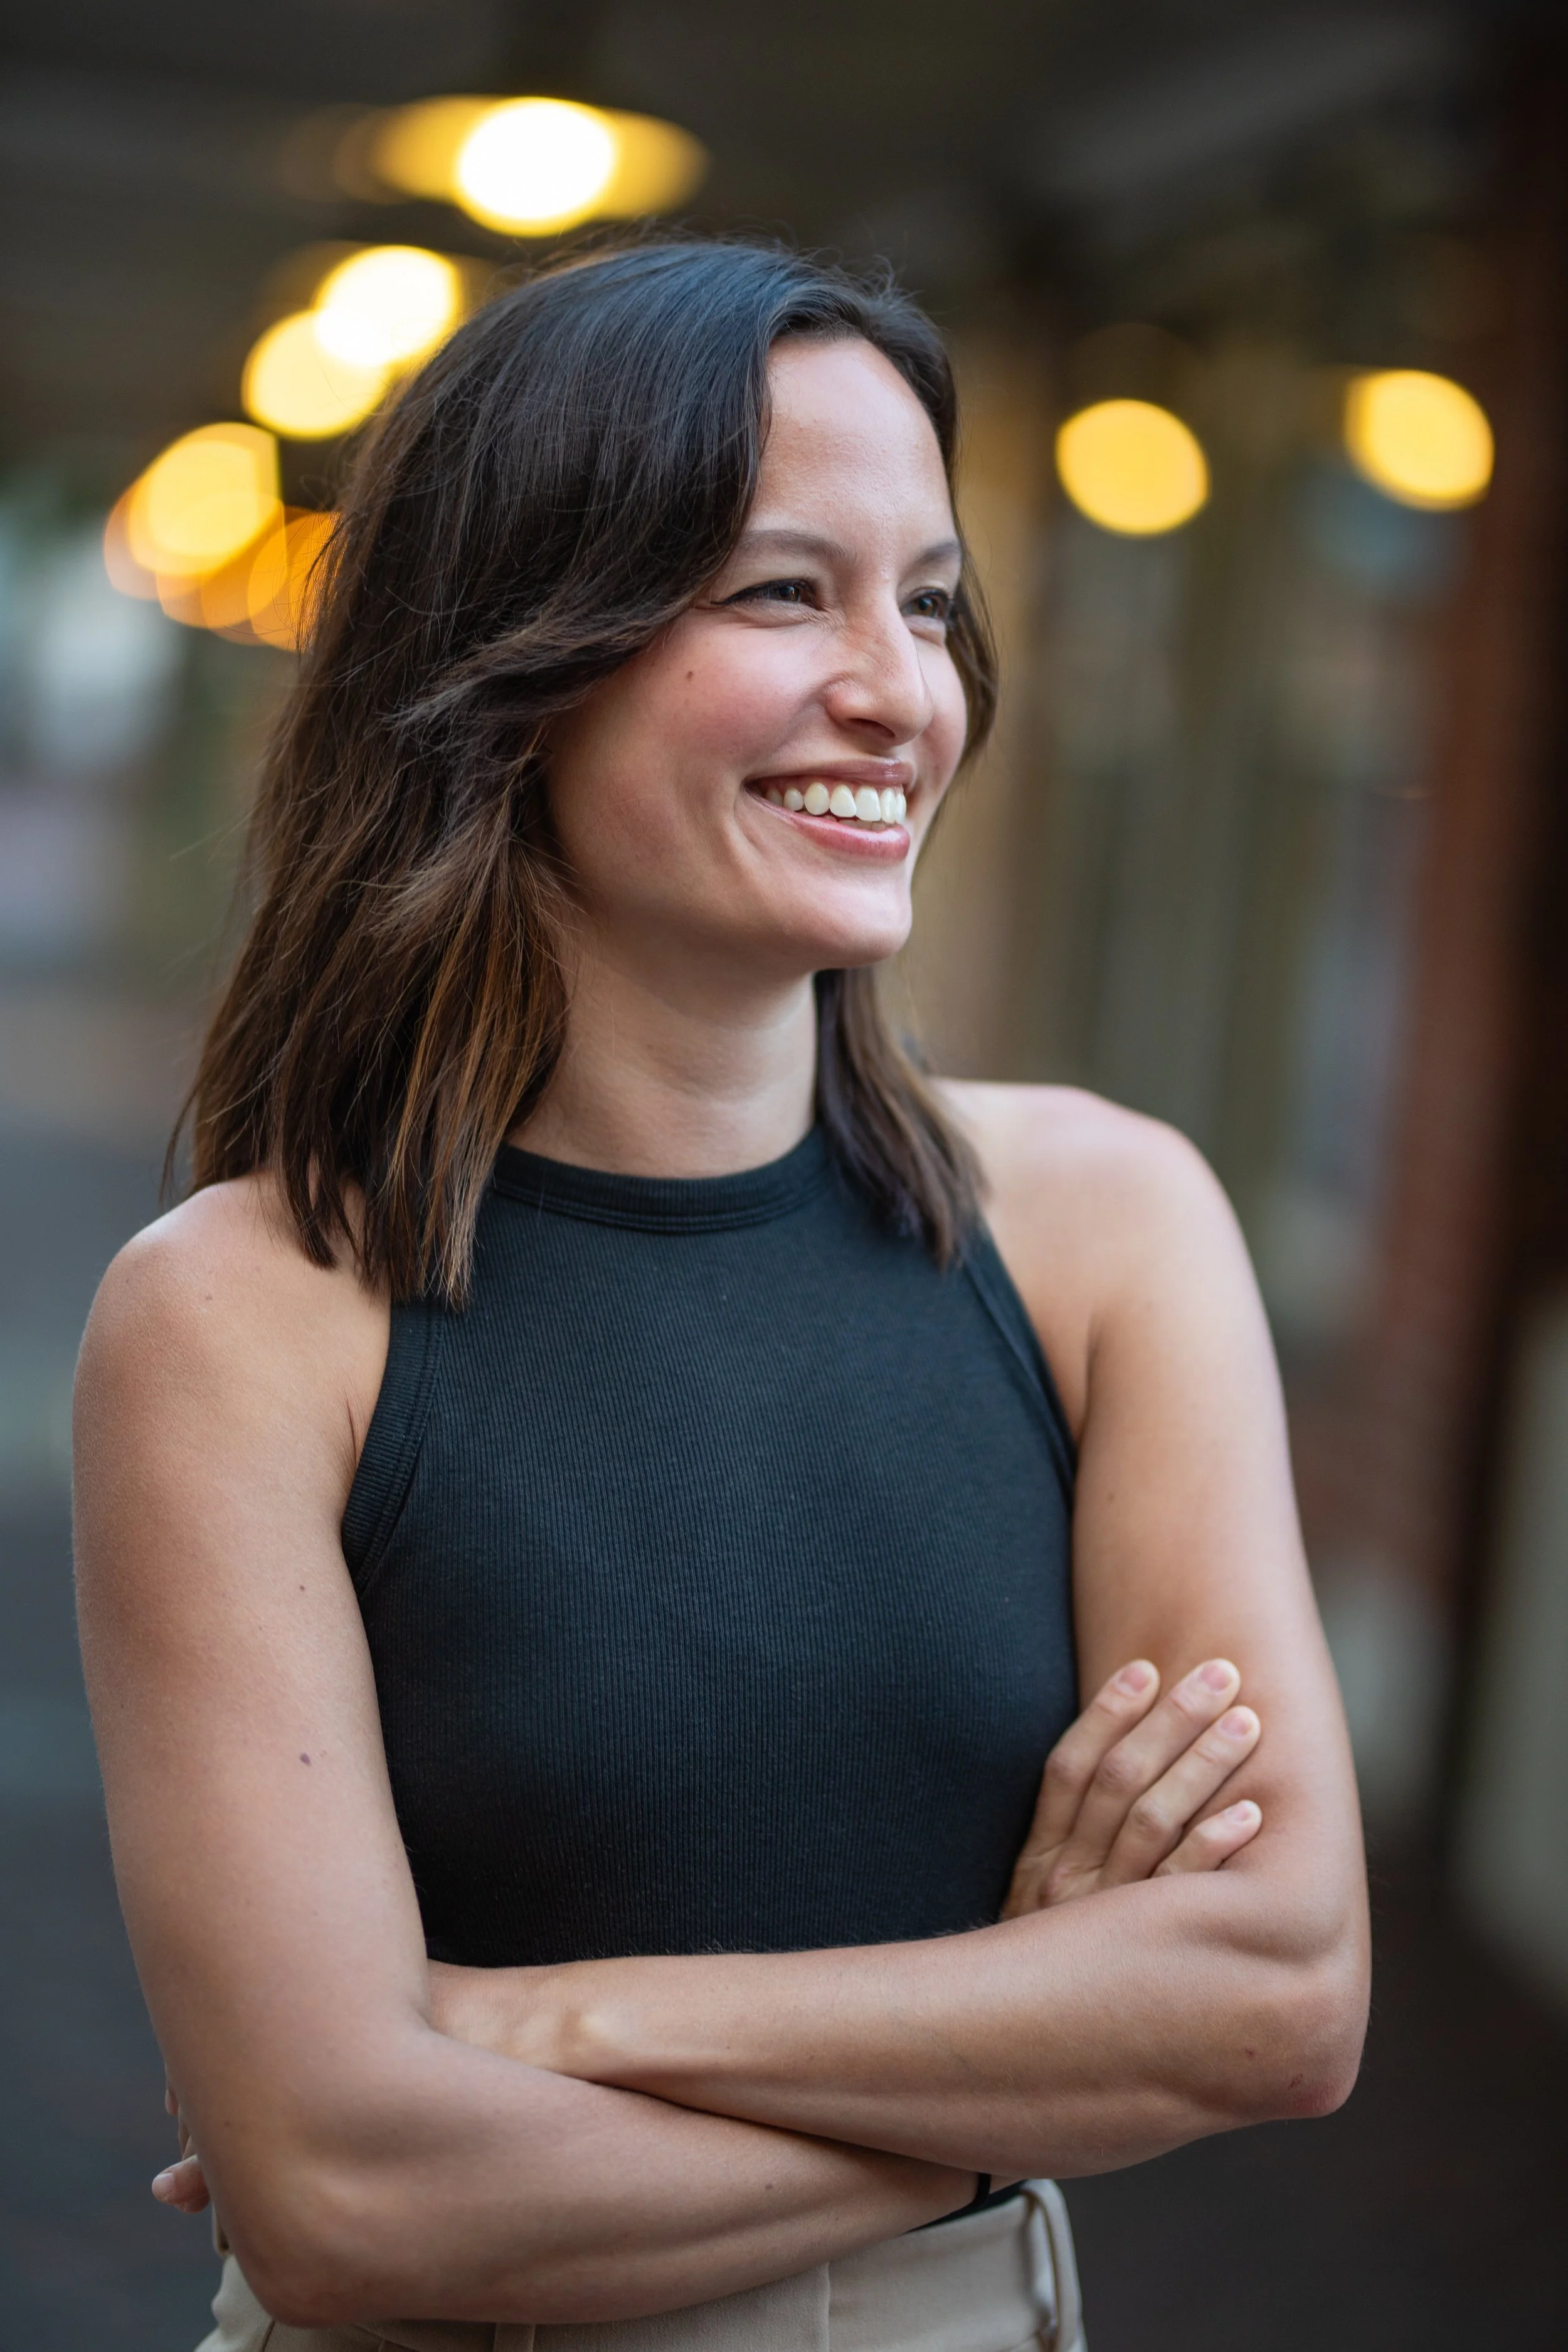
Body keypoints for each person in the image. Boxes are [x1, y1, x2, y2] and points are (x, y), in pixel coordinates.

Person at [73, 238, 1369, 2352]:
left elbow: (1277, 1995)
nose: (900, 687)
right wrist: (1020, 2073)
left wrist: (550, 2019)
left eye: (930, 601)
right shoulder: (244, 1314)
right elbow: (340, 2191)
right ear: (519, 653)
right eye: (784, 591)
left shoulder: (1107, 1228)